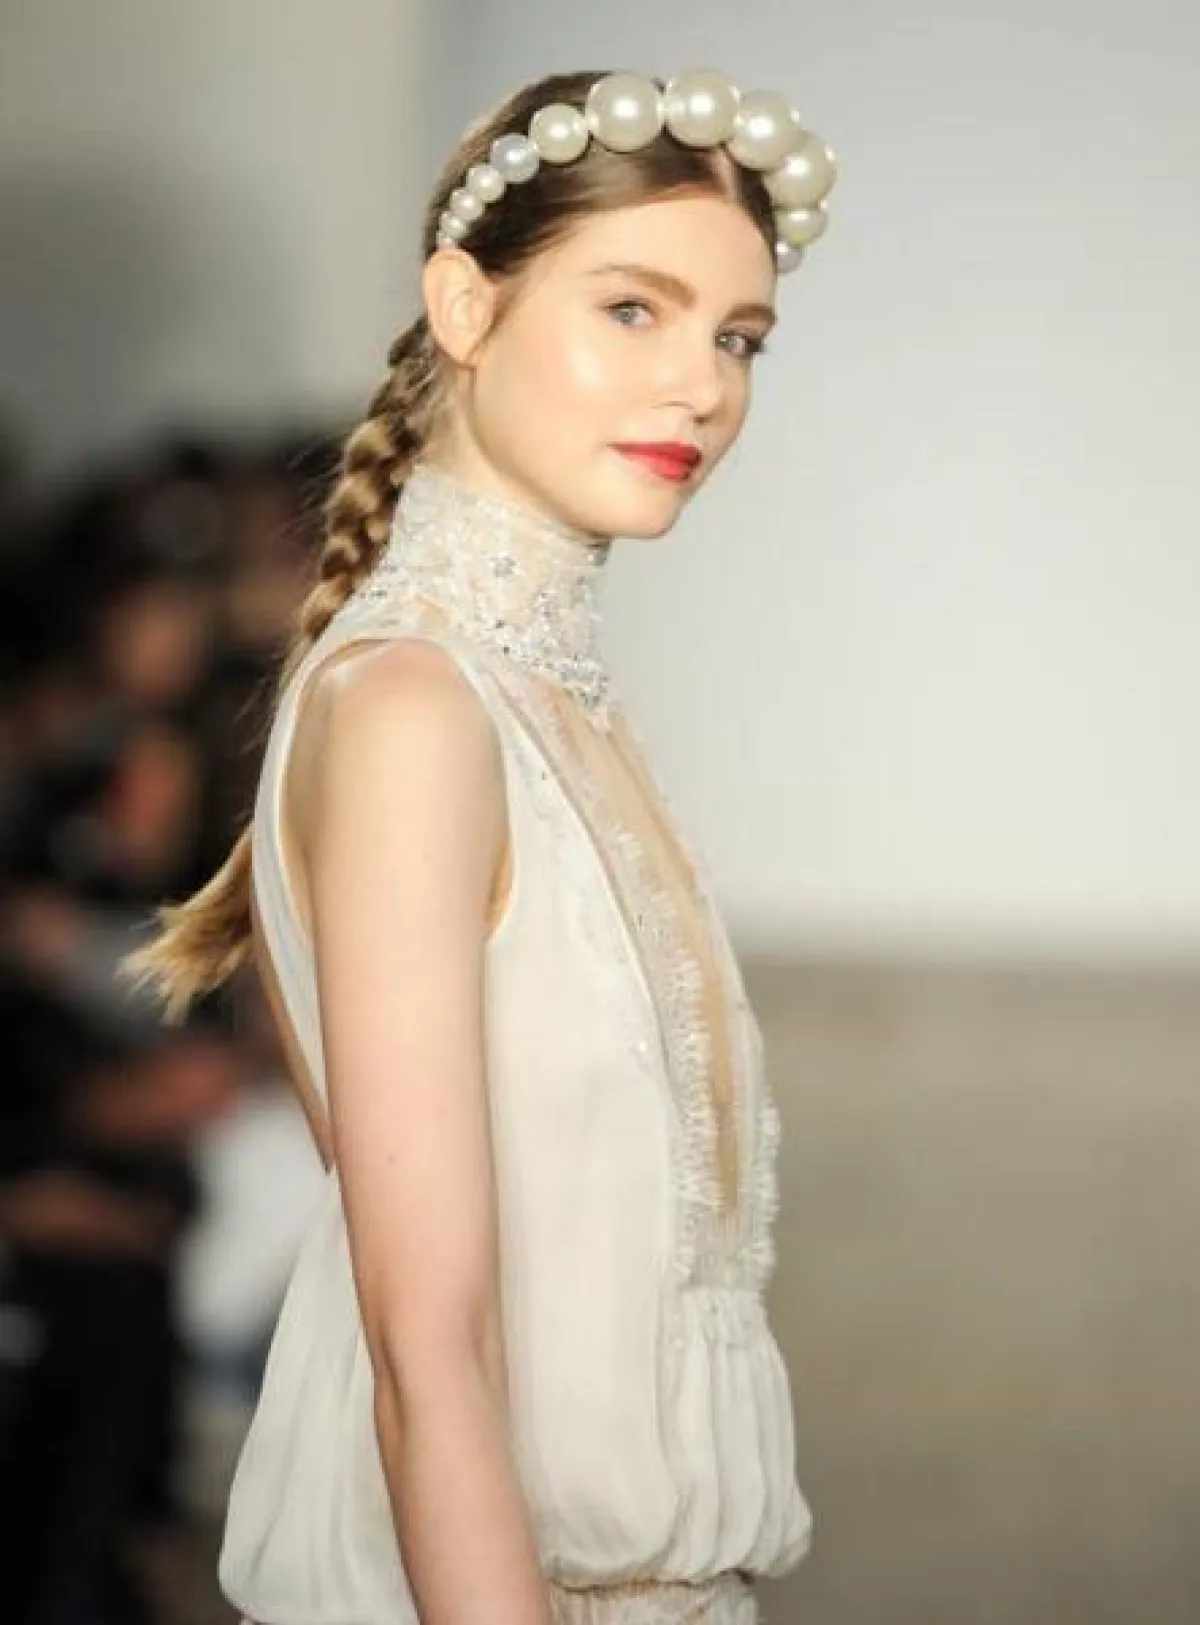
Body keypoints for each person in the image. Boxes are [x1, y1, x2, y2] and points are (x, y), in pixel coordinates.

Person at [128, 65, 838, 1625]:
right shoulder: (417, 710)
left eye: (738, 338)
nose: (700, 387)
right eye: (633, 309)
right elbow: (425, 1350)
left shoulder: (536, 702)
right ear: (465, 305)